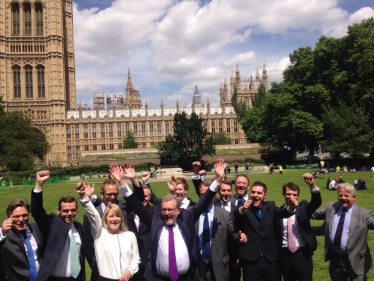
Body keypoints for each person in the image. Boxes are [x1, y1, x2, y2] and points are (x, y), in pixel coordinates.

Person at [109, 159, 225, 280]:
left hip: (185, 278)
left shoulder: (187, 217)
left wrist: (218, 178)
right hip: (159, 278)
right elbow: (136, 206)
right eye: (164, 209)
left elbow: (204, 200)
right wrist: (121, 182)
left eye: (170, 210)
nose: (167, 213)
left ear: (178, 210)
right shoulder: (155, 220)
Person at [83, 175, 145, 281]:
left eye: (115, 194)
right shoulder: (92, 215)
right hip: (102, 271)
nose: (112, 197)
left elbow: (138, 198)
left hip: (125, 270)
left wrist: (131, 179)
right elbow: (88, 244)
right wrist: (96, 262)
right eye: (109, 194)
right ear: (102, 194)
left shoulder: (123, 207)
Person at [235, 181, 298, 281]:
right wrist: (243, 209)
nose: (255, 195)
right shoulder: (244, 206)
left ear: (265, 195)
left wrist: (292, 208)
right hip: (251, 259)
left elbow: (285, 212)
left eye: (259, 193)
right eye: (253, 192)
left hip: (270, 259)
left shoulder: (270, 206)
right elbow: (237, 215)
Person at [312, 183, 374, 280]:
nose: (343, 198)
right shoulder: (331, 207)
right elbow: (313, 214)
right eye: (340, 195)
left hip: (356, 260)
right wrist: (293, 208)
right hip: (335, 260)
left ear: (354, 197)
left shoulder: (364, 214)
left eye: (346, 195)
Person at [31, 170, 86, 281]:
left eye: (72, 210)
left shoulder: (78, 227)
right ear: (58, 210)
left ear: (76, 210)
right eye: (65, 211)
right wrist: (39, 185)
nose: (69, 214)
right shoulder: (52, 224)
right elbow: (37, 212)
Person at [193, 180, 245, 281]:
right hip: (197, 266)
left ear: (214, 194)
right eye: (203, 194)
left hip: (219, 265)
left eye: (209, 194)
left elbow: (232, 235)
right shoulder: (192, 213)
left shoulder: (225, 215)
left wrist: (239, 237)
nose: (206, 197)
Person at [275, 173, 321, 281]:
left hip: (302, 254)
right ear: (283, 194)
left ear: (298, 196)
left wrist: (312, 186)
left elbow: (315, 203)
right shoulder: (278, 212)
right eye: (288, 194)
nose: (292, 197)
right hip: (284, 255)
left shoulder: (303, 208)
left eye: (295, 194)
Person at [0, 199, 44, 281]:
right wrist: (2, 232)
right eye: (16, 217)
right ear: (8, 217)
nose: (21, 220)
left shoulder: (35, 227)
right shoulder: (4, 233)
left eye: (24, 215)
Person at [127, 185, 160, 280]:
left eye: (146, 196)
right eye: (140, 196)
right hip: (131, 261)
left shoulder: (155, 212)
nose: (143, 199)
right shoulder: (128, 213)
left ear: (150, 197)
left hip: (149, 260)